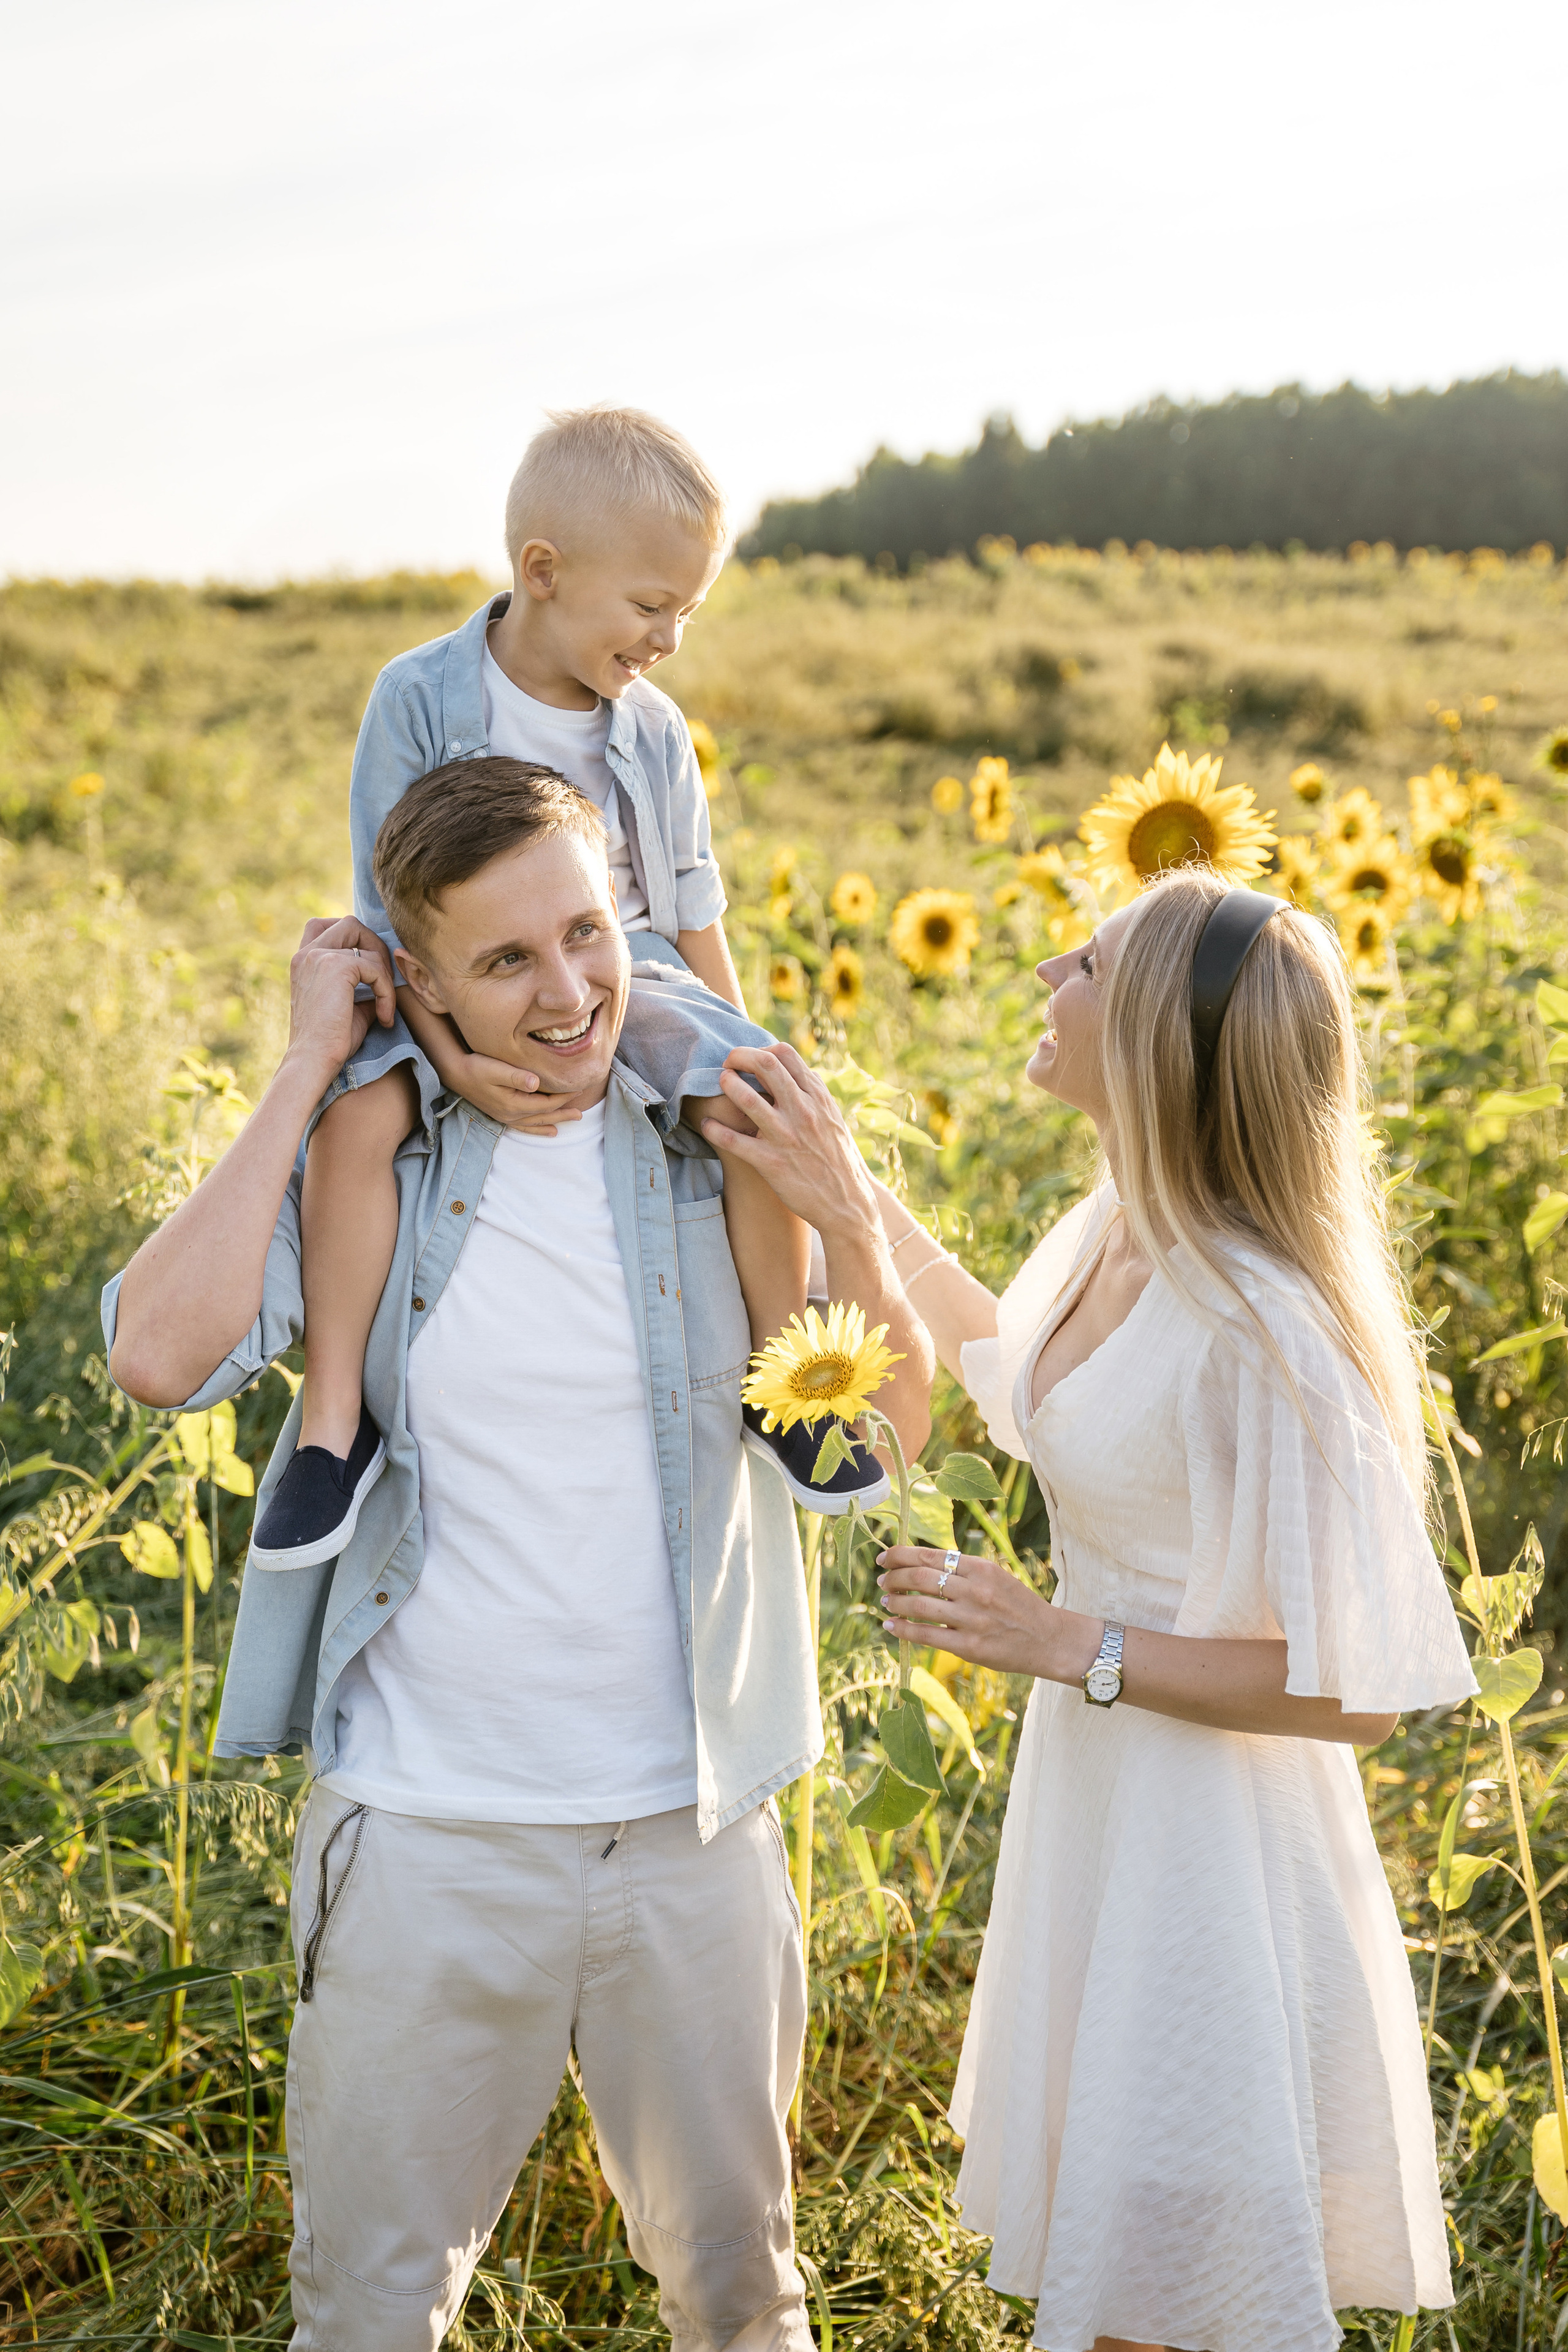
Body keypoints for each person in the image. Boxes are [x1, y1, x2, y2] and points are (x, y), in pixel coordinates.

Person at [104, 761, 933, 2352]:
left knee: (743, 2300)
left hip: (689, 1836)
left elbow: (875, 1440)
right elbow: (157, 1352)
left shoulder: (713, 1132)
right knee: (366, 2311)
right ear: (417, 982)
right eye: (503, 962)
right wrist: (303, 1063)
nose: (568, 994)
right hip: (425, 1836)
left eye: (586, 933)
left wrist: (856, 1218)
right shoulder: (372, 1146)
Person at [854, 868, 1476, 2352]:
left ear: (1145, 1035)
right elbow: (1015, 1378)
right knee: (1128, 2287)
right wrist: (836, 1181)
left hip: (1208, 1860)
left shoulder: (1263, 1326)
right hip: (1104, 1816)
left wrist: (1066, 1644)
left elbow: (1362, 1694)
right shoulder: (1113, 1235)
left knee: (1163, 2296)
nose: (1046, 974)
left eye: (1085, 959)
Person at [257, 403, 884, 1572]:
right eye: (652, 608)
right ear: (542, 572)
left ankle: (782, 1370)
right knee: (354, 1116)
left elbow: (693, 915)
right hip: (444, 981)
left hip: (627, 974)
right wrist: (451, 1059)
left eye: (687, 613)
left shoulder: (654, 733)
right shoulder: (421, 696)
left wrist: (740, 1046)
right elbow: (386, 902)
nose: (670, 641)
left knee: (752, 1100)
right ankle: (335, 1427)